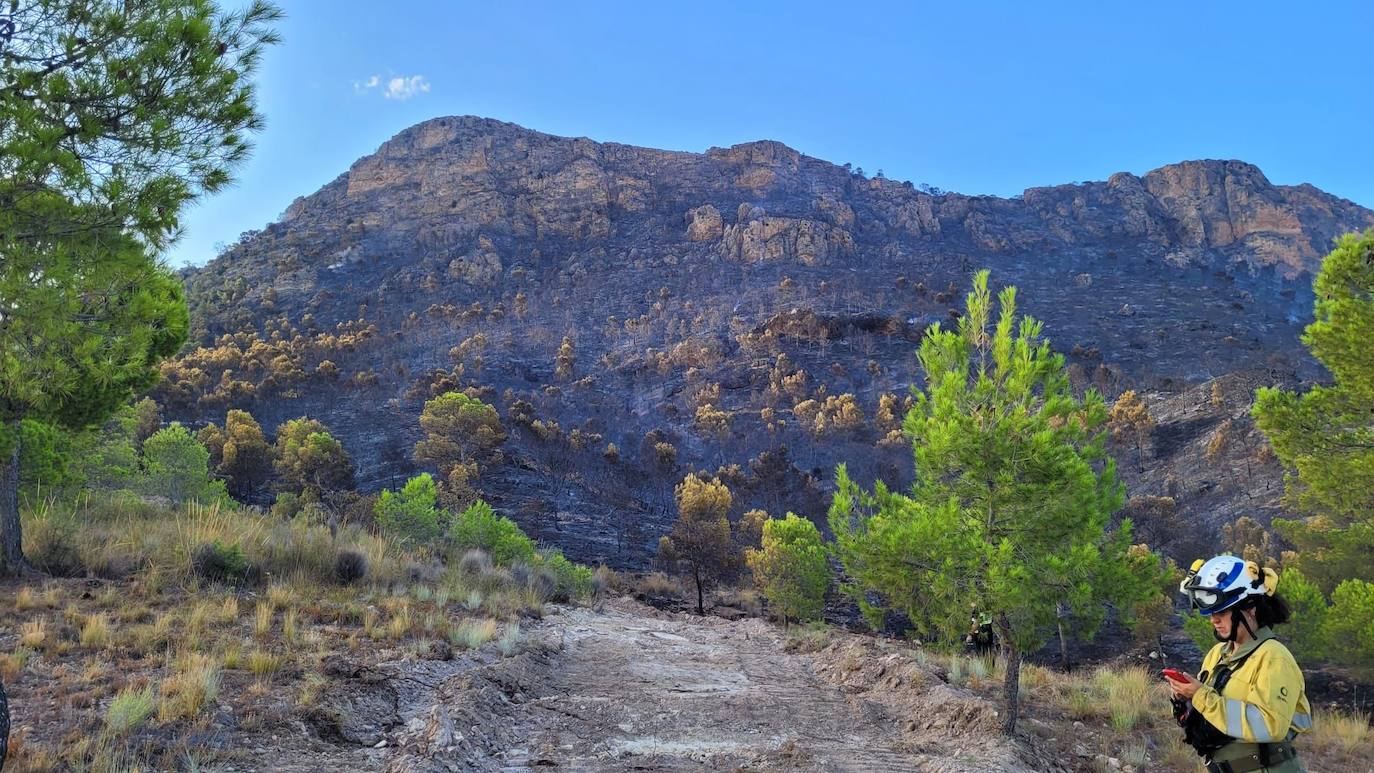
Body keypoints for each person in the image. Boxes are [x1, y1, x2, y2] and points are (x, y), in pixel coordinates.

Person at [1168, 555, 1313, 773]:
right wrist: (1187, 700)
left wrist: (1201, 696)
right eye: (1210, 613)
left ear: (1250, 608)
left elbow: (1270, 725)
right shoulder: (1217, 654)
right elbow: (1216, 715)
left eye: (1222, 612)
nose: (1213, 619)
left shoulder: (1274, 657)